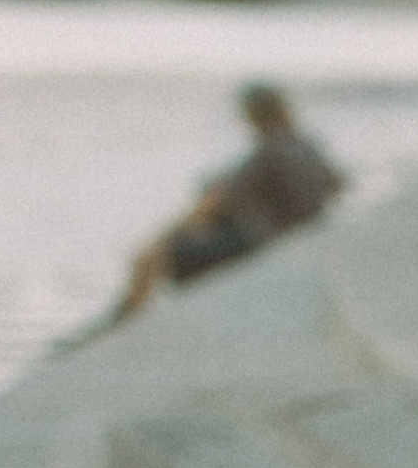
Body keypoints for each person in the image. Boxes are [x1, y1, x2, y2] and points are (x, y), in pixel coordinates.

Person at [113, 81, 344, 319]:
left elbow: (219, 200)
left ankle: (129, 312)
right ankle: (131, 307)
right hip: (299, 234)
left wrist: (171, 233)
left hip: (264, 240)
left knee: (158, 253)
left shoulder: (269, 151)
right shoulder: (306, 146)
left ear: (254, 115)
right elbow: (338, 184)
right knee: (179, 236)